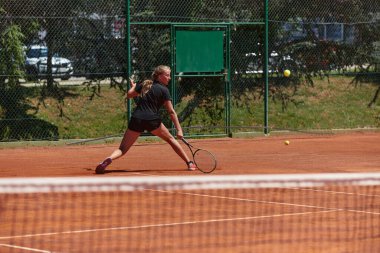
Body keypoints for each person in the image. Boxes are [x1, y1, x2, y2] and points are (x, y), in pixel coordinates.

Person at [95, 65, 196, 174]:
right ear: (159, 76)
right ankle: (189, 163)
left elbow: (129, 95)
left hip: (137, 119)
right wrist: (179, 129)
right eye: (167, 75)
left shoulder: (145, 84)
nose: (169, 78)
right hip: (152, 120)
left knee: (122, 149)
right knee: (171, 139)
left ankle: (109, 159)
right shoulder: (164, 90)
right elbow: (171, 111)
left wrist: (134, 87)